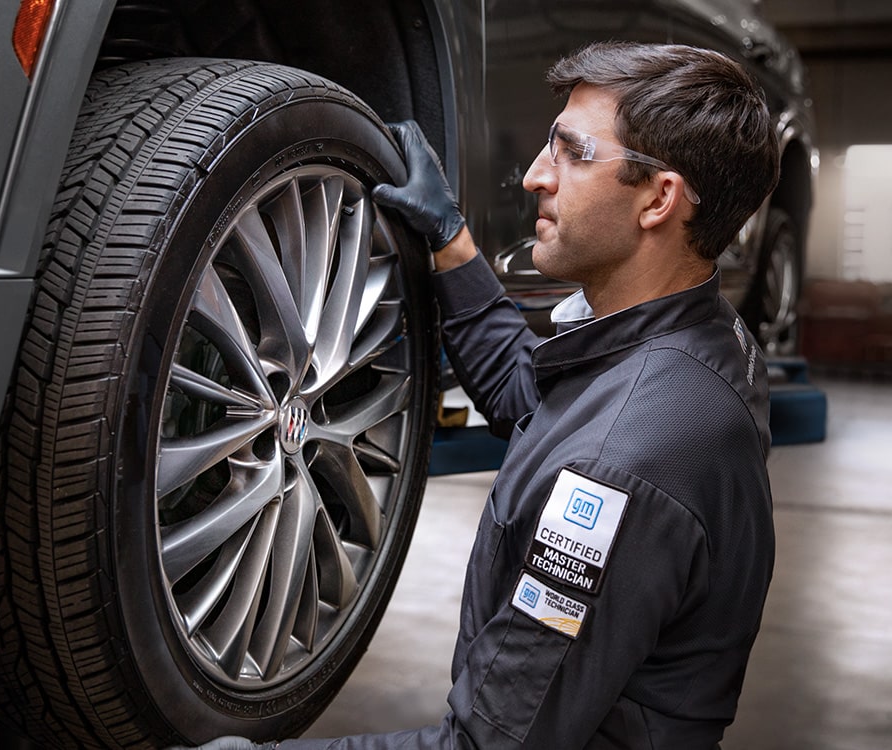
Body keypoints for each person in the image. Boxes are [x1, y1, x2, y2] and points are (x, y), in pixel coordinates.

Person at [186, 40, 780, 750]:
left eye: (572, 153)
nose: (534, 176)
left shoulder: (618, 473)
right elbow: (532, 400)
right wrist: (451, 241)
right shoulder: (696, 343)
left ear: (659, 199)